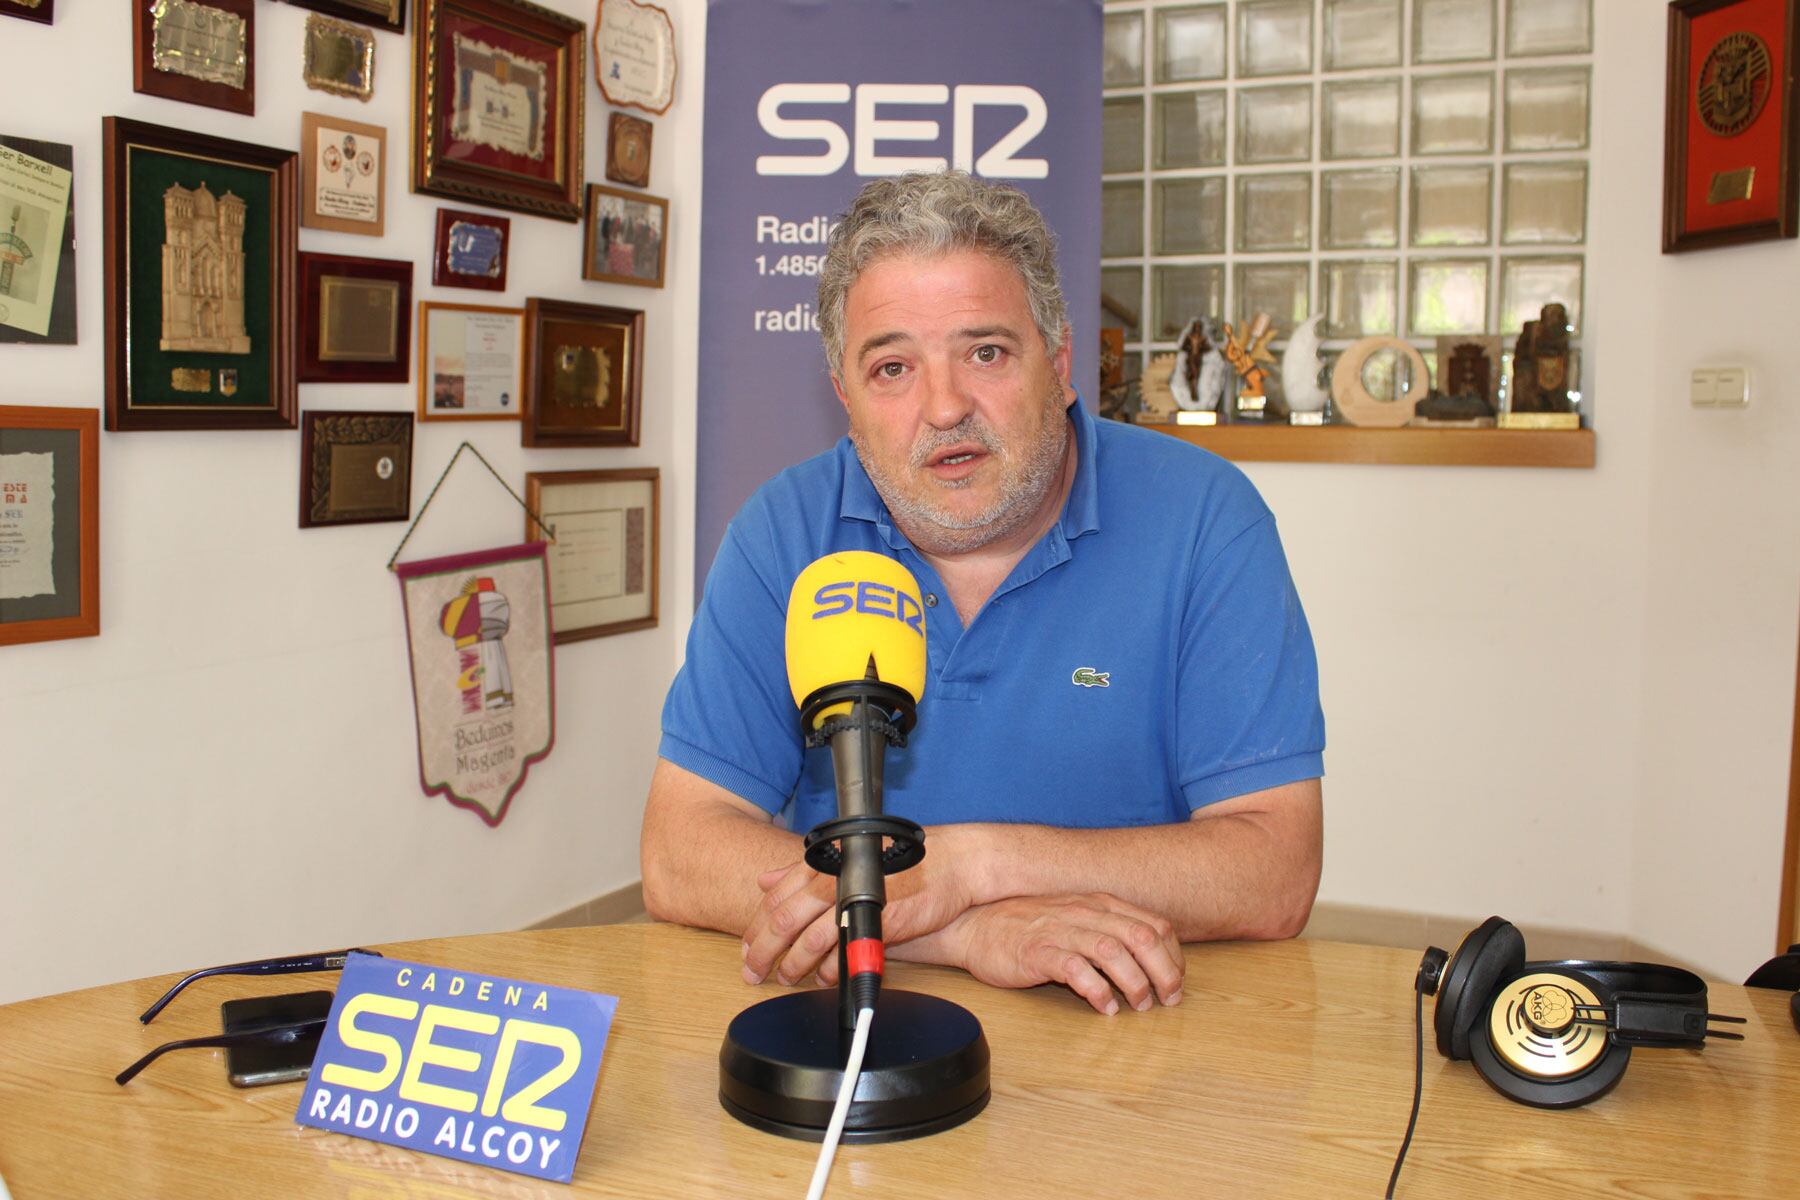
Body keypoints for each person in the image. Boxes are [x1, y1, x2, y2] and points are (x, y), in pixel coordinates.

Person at [642, 171, 1325, 1016]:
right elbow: (679, 853)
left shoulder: (1206, 519)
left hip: (1131, 1037)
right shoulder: (783, 531)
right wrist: (960, 935)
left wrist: (972, 867)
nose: (945, 406)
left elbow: (1274, 872)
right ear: (846, 402)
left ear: (1062, 366)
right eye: (892, 367)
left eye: (986, 353)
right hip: (863, 1018)